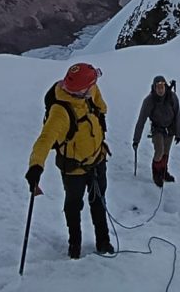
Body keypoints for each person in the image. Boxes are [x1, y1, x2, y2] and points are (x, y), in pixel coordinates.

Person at [25, 62, 114, 259]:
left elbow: (101, 107)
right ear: (81, 89)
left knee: (99, 202)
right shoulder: (60, 112)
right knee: (73, 206)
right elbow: (45, 140)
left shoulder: (89, 91)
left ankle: (103, 241)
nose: (95, 85)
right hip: (74, 169)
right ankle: (75, 244)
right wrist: (35, 167)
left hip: (97, 160)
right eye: (92, 83)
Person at [132, 74, 180, 187]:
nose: (160, 89)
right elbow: (141, 121)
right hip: (157, 129)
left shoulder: (172, 97)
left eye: (162, 86)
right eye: (158, 87)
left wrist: (178, 133)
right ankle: (156, 173)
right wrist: (136, 140)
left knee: (166, 152)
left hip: (170, 128)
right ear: (154, 88)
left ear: (165, 86)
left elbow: (177, 115)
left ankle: (164, 172)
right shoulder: (149, 101)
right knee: (159, 151)